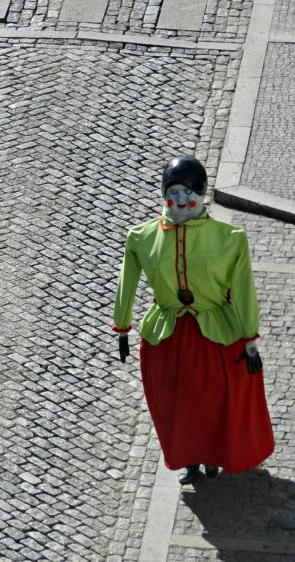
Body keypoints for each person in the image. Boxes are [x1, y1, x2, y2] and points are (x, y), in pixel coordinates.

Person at [112, 156, 274, 484]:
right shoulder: (140, 237)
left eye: (189, 192)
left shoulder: (231, 238)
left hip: (216, 338)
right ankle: (189, 462)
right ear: (163, 193)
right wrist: (123, 329)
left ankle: (214, 457)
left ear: (202, 193)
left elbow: (244, 292)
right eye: (174, 192)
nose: (183, 200)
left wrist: (250, 340)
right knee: (176, 406)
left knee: (214, 404)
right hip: (166, 339)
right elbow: (126, 284)